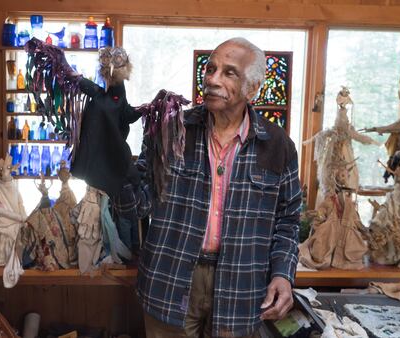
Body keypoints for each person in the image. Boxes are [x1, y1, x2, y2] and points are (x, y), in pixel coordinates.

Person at [116, 38, 301, 337]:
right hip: (170, 280)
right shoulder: (170, 129)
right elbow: (137, 205)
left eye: (229, 73)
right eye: (211, 68)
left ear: (252, 89)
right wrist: (115, 169)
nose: (213, 79)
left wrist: (282, 274)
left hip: (241, 289)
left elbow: (288, 221)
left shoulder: (278, 146)